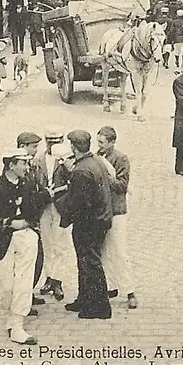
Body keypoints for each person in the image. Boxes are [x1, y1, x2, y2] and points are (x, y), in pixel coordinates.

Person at [0, 149, 42, 345]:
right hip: (2, 240)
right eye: (23, 163)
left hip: (26, 238)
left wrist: (28, 224)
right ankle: (12, 317)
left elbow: (35, 209)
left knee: (24, 281)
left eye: (27, 163)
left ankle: (17, 325)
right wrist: (8, 222)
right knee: (8, 285)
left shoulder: (29, 185)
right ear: (11, 165)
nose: (26, 167)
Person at [54, 130, 114, 319]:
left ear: (73, 147)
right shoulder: (94, 161)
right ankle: (85, 299)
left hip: (89, 223)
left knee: (90, 263)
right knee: (86, 261)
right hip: (100, 219)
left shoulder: (81, 171)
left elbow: (78, 203)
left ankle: (99, 307)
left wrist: (65, 218)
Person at [96, 126, 138, 309]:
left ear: (112, 142)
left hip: (116, 210)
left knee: (120, 251)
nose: (99, 146)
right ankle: (109, 285)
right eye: (98, 142)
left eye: (102, 143)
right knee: (103, 250)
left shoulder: (120, 158)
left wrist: (105, 175)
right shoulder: (96, 157)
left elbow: (122, 185)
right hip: (101, 210)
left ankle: (129, 291)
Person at [31, 128, 72, 302]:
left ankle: (58, 280)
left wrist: (60, 189)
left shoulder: (66, 159)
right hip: (44, 206)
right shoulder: (38, 159)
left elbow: (73, 181)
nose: (53, 145)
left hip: (61, 204)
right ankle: (49, 277)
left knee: (60, 243)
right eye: (50, 141)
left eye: (56, 141)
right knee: (47, 242)